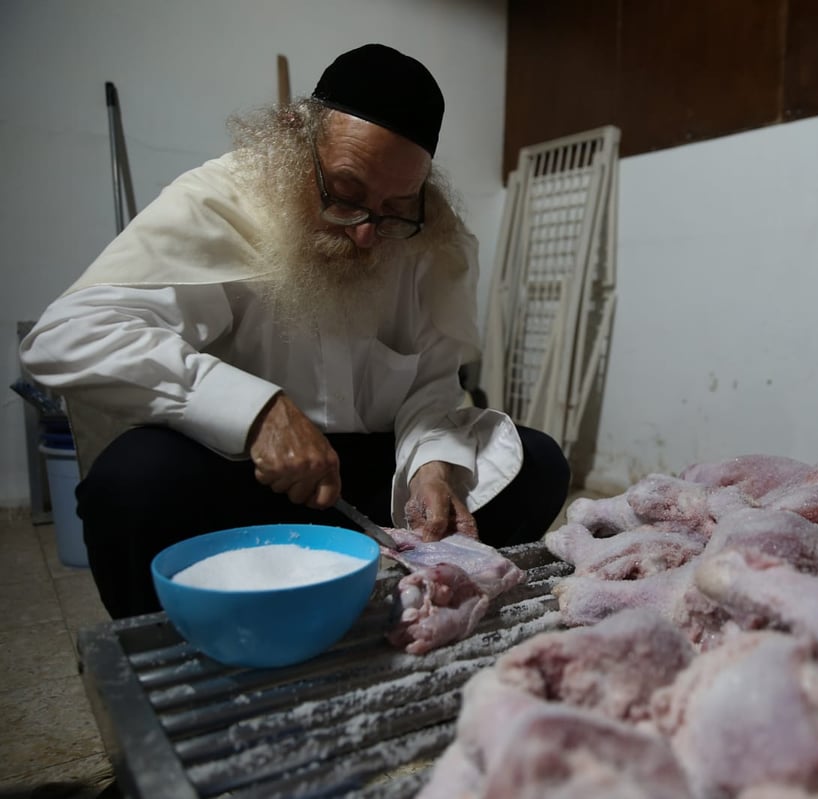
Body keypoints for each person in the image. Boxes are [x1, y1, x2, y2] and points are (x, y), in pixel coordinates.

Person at [20, 44, 571, 620]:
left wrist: (431, 465)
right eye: (346, 193)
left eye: (393, 207)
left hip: (368, 482)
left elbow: (431, 385)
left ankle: (427, 610)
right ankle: (178, 658)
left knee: (537, 463)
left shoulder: (424, 234)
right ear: (295, 137)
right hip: (243, 474)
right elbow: (68, 335)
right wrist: (256, 412)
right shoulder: (222, 199)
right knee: (132, 483)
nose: (366, 233)